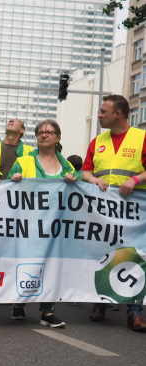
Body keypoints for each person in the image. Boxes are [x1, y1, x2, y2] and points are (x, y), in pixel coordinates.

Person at [81, 94, 146, 332]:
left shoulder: (142, 137)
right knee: (103, 253)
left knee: (133, 256)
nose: (99, 115)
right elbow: (85, 172)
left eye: (103, 111)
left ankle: (134, 311)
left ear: (117, 114)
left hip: (134, 211)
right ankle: (100, 302)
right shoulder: (97, 141)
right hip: (104, 212)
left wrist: (136, 179)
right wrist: (93, 178)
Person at [8, 119, 77, 328]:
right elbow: (7, 192)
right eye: (40, 132)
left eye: (49, 132)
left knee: (52, 265)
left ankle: (48, 311)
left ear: (58, 137)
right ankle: (19, 303)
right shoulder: (24, 162)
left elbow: (80, 195)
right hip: (28, 227)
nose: (44, 135)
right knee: (26, 263)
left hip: (55, 229)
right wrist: (14, 180)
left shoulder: (68, 167)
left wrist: (75, 181)